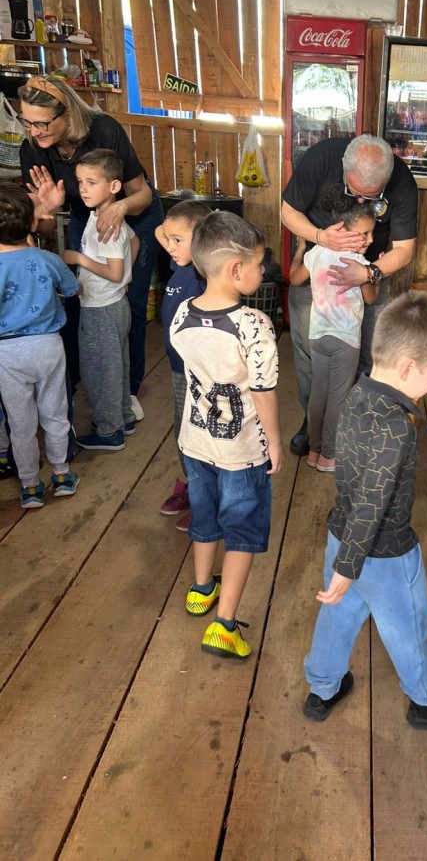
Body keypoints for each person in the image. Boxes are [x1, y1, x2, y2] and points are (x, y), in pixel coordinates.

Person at [302, 291, 427, 731]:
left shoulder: (355, 393)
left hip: (340, 535)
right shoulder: (396, 426)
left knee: (336, 616)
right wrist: (349, 568)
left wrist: (343, 565)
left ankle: (323, 688)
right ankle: (426, 701)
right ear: (407, 368)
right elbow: (372, 503)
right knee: (409, 626)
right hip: (385, 552)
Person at [170, 211, 283, 660]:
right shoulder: (254, 325)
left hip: (195, 441)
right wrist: (275, 442)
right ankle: (225, 625)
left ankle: (201, 590)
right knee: (241, 529)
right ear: (236, 270)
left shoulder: (183, 312)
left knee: (204, 514)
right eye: (258, 264)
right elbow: (264, 394)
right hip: (241, 449)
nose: (263, 270)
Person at [18, 75, 164, 415]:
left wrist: (120, 207)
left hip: (136, 215)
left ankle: (126, 393)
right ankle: (82, 382)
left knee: (128, 303)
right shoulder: (32, 150)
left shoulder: (103, 130)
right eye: (27, 122)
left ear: (67, 113)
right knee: (80, 300)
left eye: (42, 123)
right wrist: (47, 210)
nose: (34, 132)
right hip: (86, 218)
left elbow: (141, 194)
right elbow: (41, 227)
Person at [281, 134, 418, 457]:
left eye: (370, 196)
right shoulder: (321, 158)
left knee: (367, 355)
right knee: (310, 358)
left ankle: (353, 424)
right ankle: (313, 424)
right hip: (318, 270)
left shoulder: (402, 181)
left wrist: (369, 273)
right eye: (355, 192)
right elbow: (288, 212)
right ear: (344, 167)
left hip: (370, 272)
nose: (360, 201)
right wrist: (319, 238)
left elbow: (404, 249)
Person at [289, 183, 379, 472]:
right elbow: (370, 297)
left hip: (318, 336)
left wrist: (301, 249)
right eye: (364, 233)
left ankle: (314, 451)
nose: (369, 239)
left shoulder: (317, 253)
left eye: (371, 233)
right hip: (345, 341)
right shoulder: (359, 263)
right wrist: (372, 275)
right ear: (341, 229)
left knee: (318, 395)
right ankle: (329, 455)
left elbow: (294, 278)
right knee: (338, 398)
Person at [0, 182, 80, 508]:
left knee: (20, 423)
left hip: (7, 353)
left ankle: (30, 486)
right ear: (33, 223)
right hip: (48, 346)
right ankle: (61, 475)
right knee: (55, 413)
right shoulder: (47, 259)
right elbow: (73, 289)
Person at [63, 149, 138, 451]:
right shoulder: (107, 217)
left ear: (114, 186)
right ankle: (124, 418)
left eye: (91, 182)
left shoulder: (103, 226)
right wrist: (126, 278)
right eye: (80, 181)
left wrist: (78, 258)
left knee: (100, 372)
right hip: (115, 304)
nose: (83, 189)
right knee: (116, 365)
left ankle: (109, 432)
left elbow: (114, 271)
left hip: (100, 310)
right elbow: (134, 241)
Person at [154, 199, 211, 531]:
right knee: (183, 432)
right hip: (178, 370)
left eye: (178, 240)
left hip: (200, 371)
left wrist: (207, 230)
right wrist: (174, 234)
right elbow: (160, 231)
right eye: (170, 240)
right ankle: (194, 484)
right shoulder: (179, 264)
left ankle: (206, 498)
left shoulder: (204, 272)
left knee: (200, 433)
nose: (170, 246)